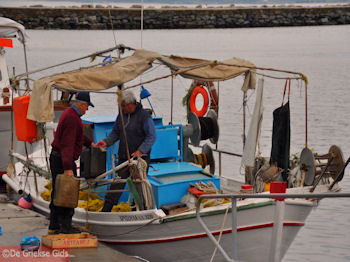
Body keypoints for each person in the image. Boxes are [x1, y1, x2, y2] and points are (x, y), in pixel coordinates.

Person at [96, 90, 156, 212]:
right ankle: (105, 211)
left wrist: (140, 151)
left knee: (139, 188)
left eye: (123, 106)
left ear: (131, 104)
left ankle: (140, 213)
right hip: (124, 159)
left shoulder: (144, 116)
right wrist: (106, 142)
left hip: (139, 161)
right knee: (116, 186)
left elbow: (151, 136)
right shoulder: (121, 115)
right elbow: (116, 133)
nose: (122, 109)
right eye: (121, 106)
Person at [48, 91, 94, 234]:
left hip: (57, 157)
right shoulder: (72, 119)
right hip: (63, 160)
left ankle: (54, 225)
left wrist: (90, 143)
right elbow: (68, 144)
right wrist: (68, 167)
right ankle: (66, 227)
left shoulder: (70, 114)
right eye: (87, 107)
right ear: (81, 104)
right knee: (68, 193)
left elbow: (78, 136)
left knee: (57, 192)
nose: (87, 110)